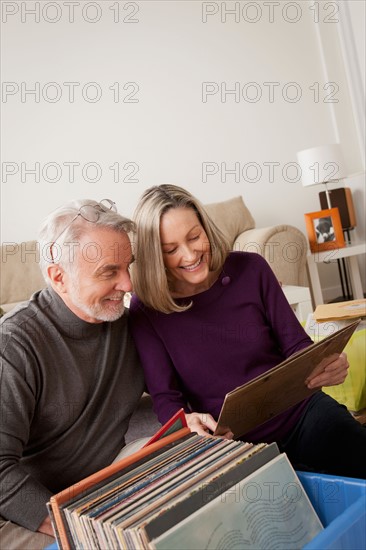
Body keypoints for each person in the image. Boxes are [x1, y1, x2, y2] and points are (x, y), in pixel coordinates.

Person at [129, 184, 366, 479]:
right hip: (234, 441)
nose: (190, 255)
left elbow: (296, 345)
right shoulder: (145, 309)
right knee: (300, 503)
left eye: (194, 237)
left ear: (206, 228)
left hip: (301, 412)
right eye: (171, 250)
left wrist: (324, 364)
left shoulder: (251, 269)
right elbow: (166, 397)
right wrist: (187, 423)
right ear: (155, 255)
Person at [0, 199, 145, 549]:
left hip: (99, 487)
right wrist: (81, 528)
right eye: (109, 272)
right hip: (28, 509)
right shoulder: (14, 346)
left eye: (128, 267)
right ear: (58, 277)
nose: (127, 284)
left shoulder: (127, 322)